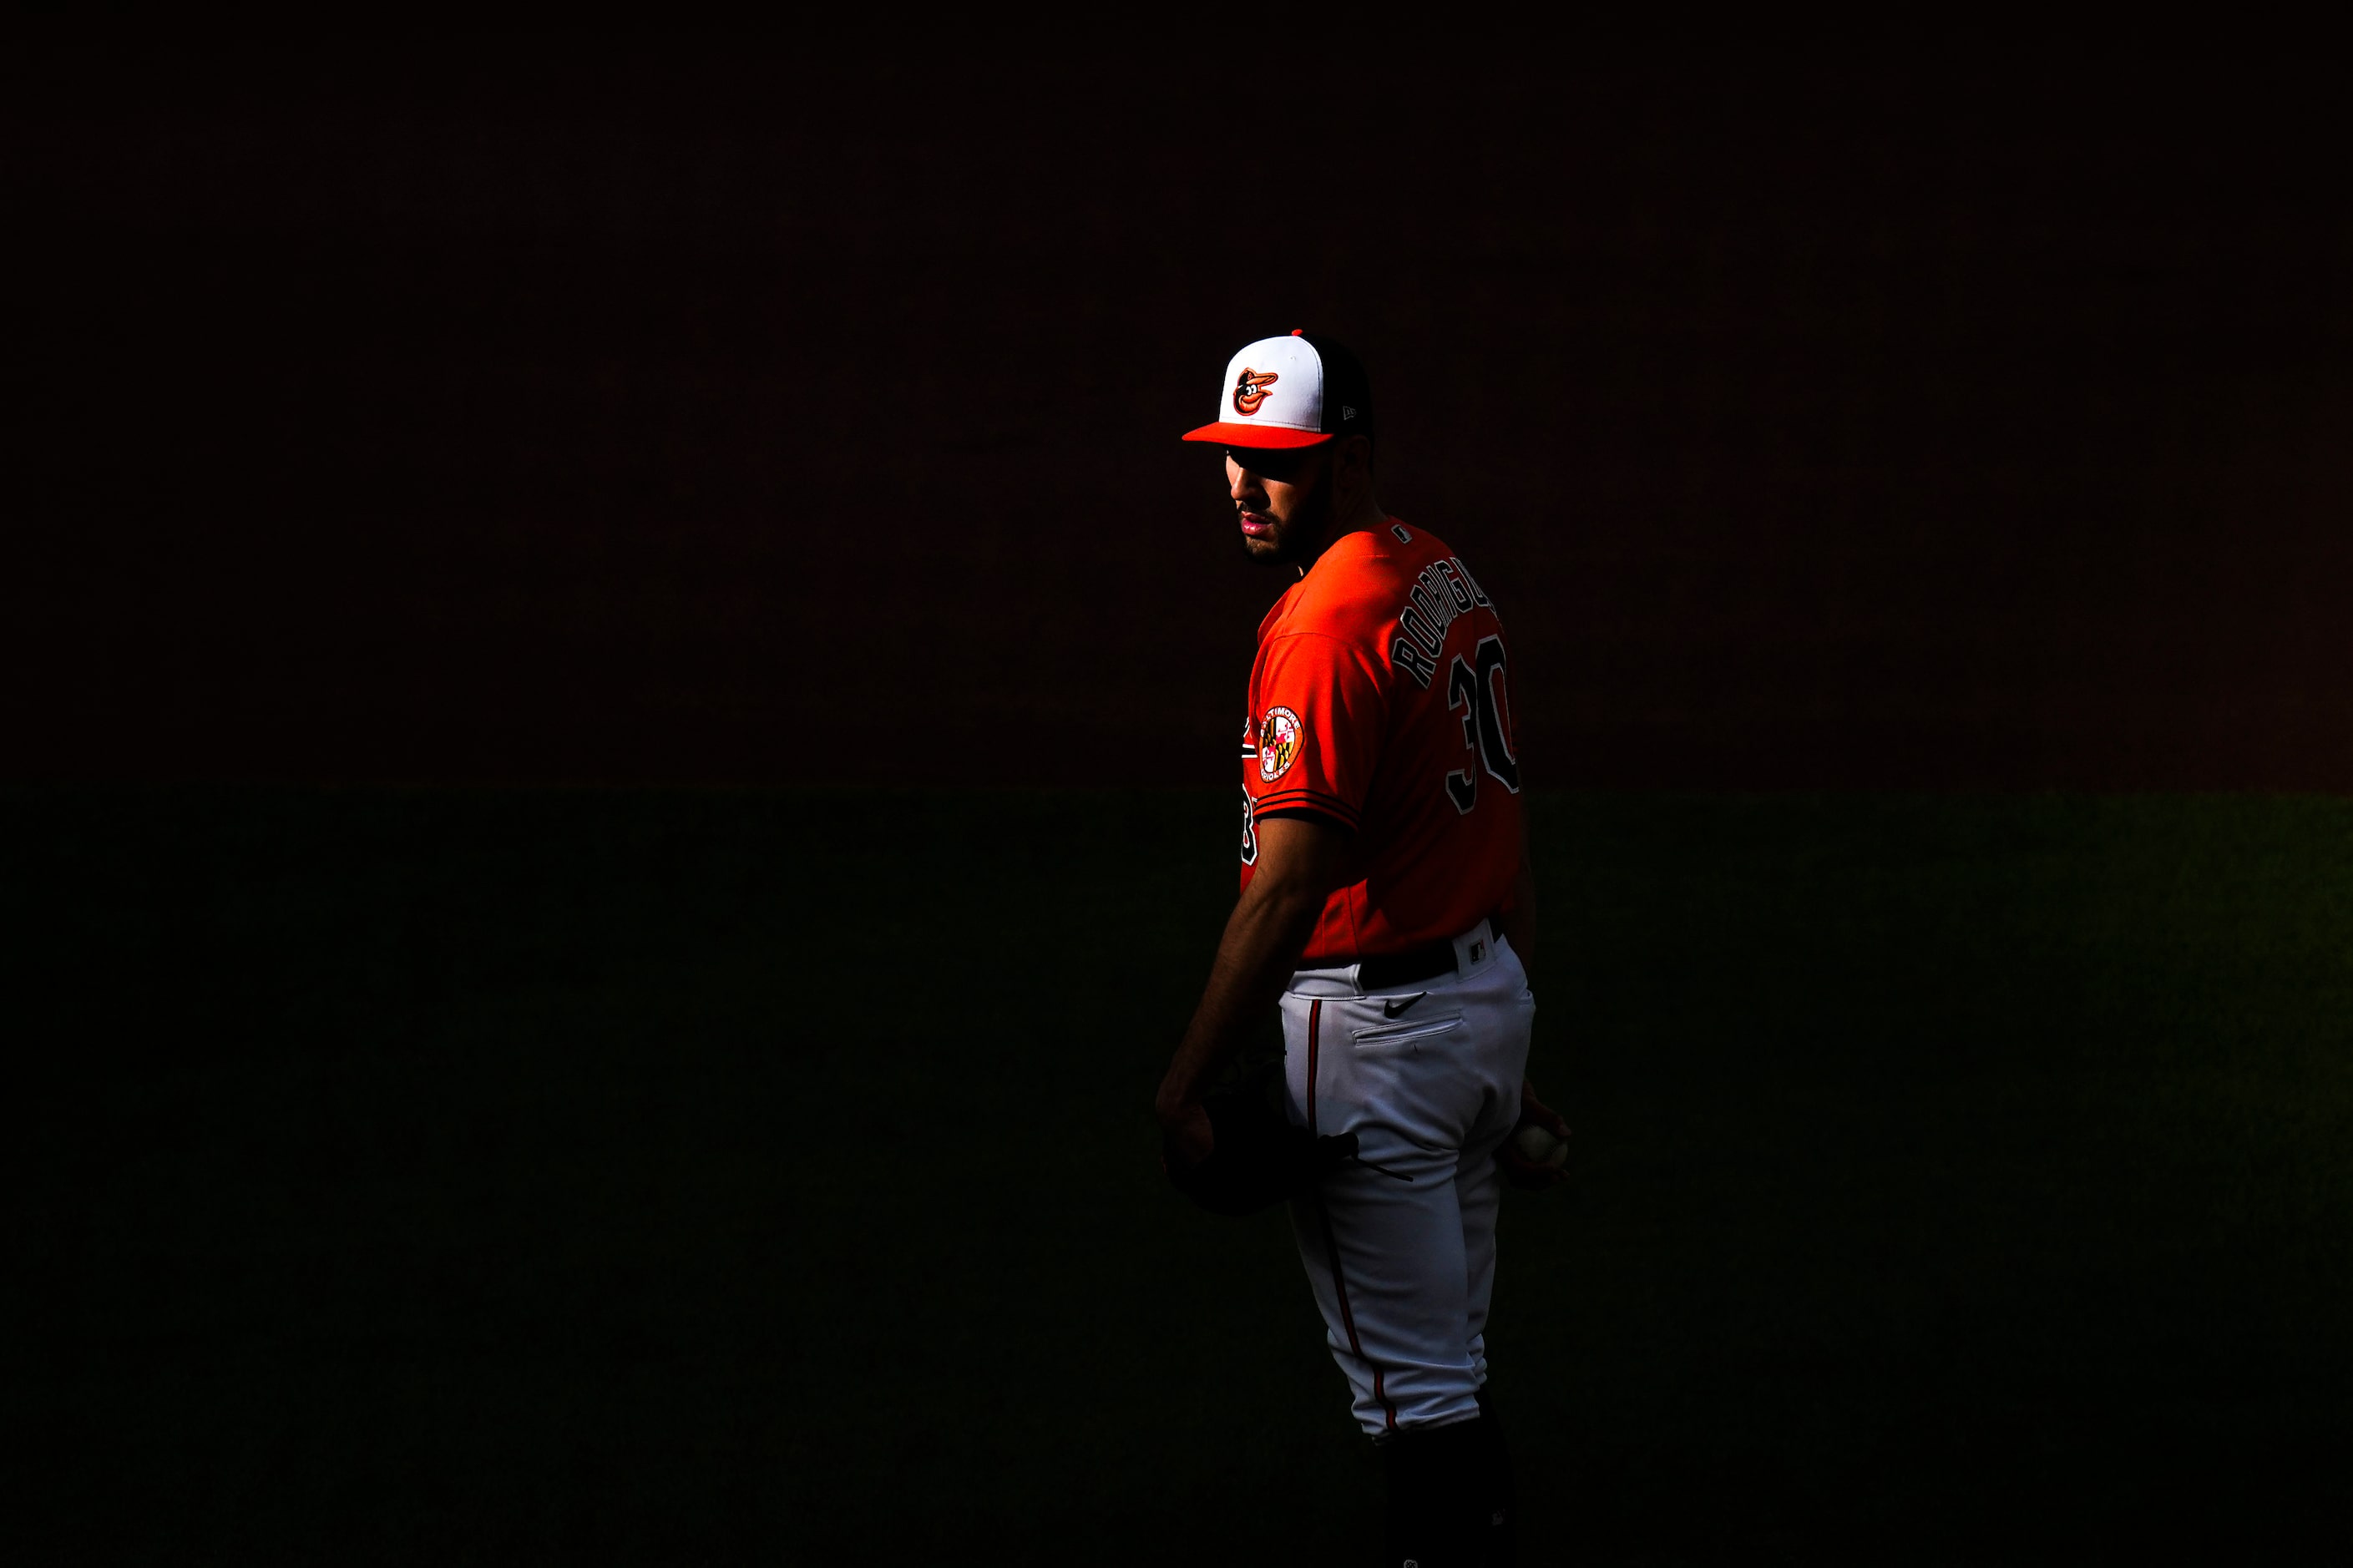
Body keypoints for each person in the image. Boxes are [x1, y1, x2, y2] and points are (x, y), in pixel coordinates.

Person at [1156, 330, 1568, 1565]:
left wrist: (1185, 1079)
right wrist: (1515, 1035)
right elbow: (1505, 834)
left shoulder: (1321, 624)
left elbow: (1284, 893)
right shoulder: (1438, 571)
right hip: (1479, 1014)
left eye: (1274, 463)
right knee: (1451, 1366)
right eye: (1230, 457)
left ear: (1349, 458)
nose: (1243, 486)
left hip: (1375, 1045)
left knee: (1413, 1400)